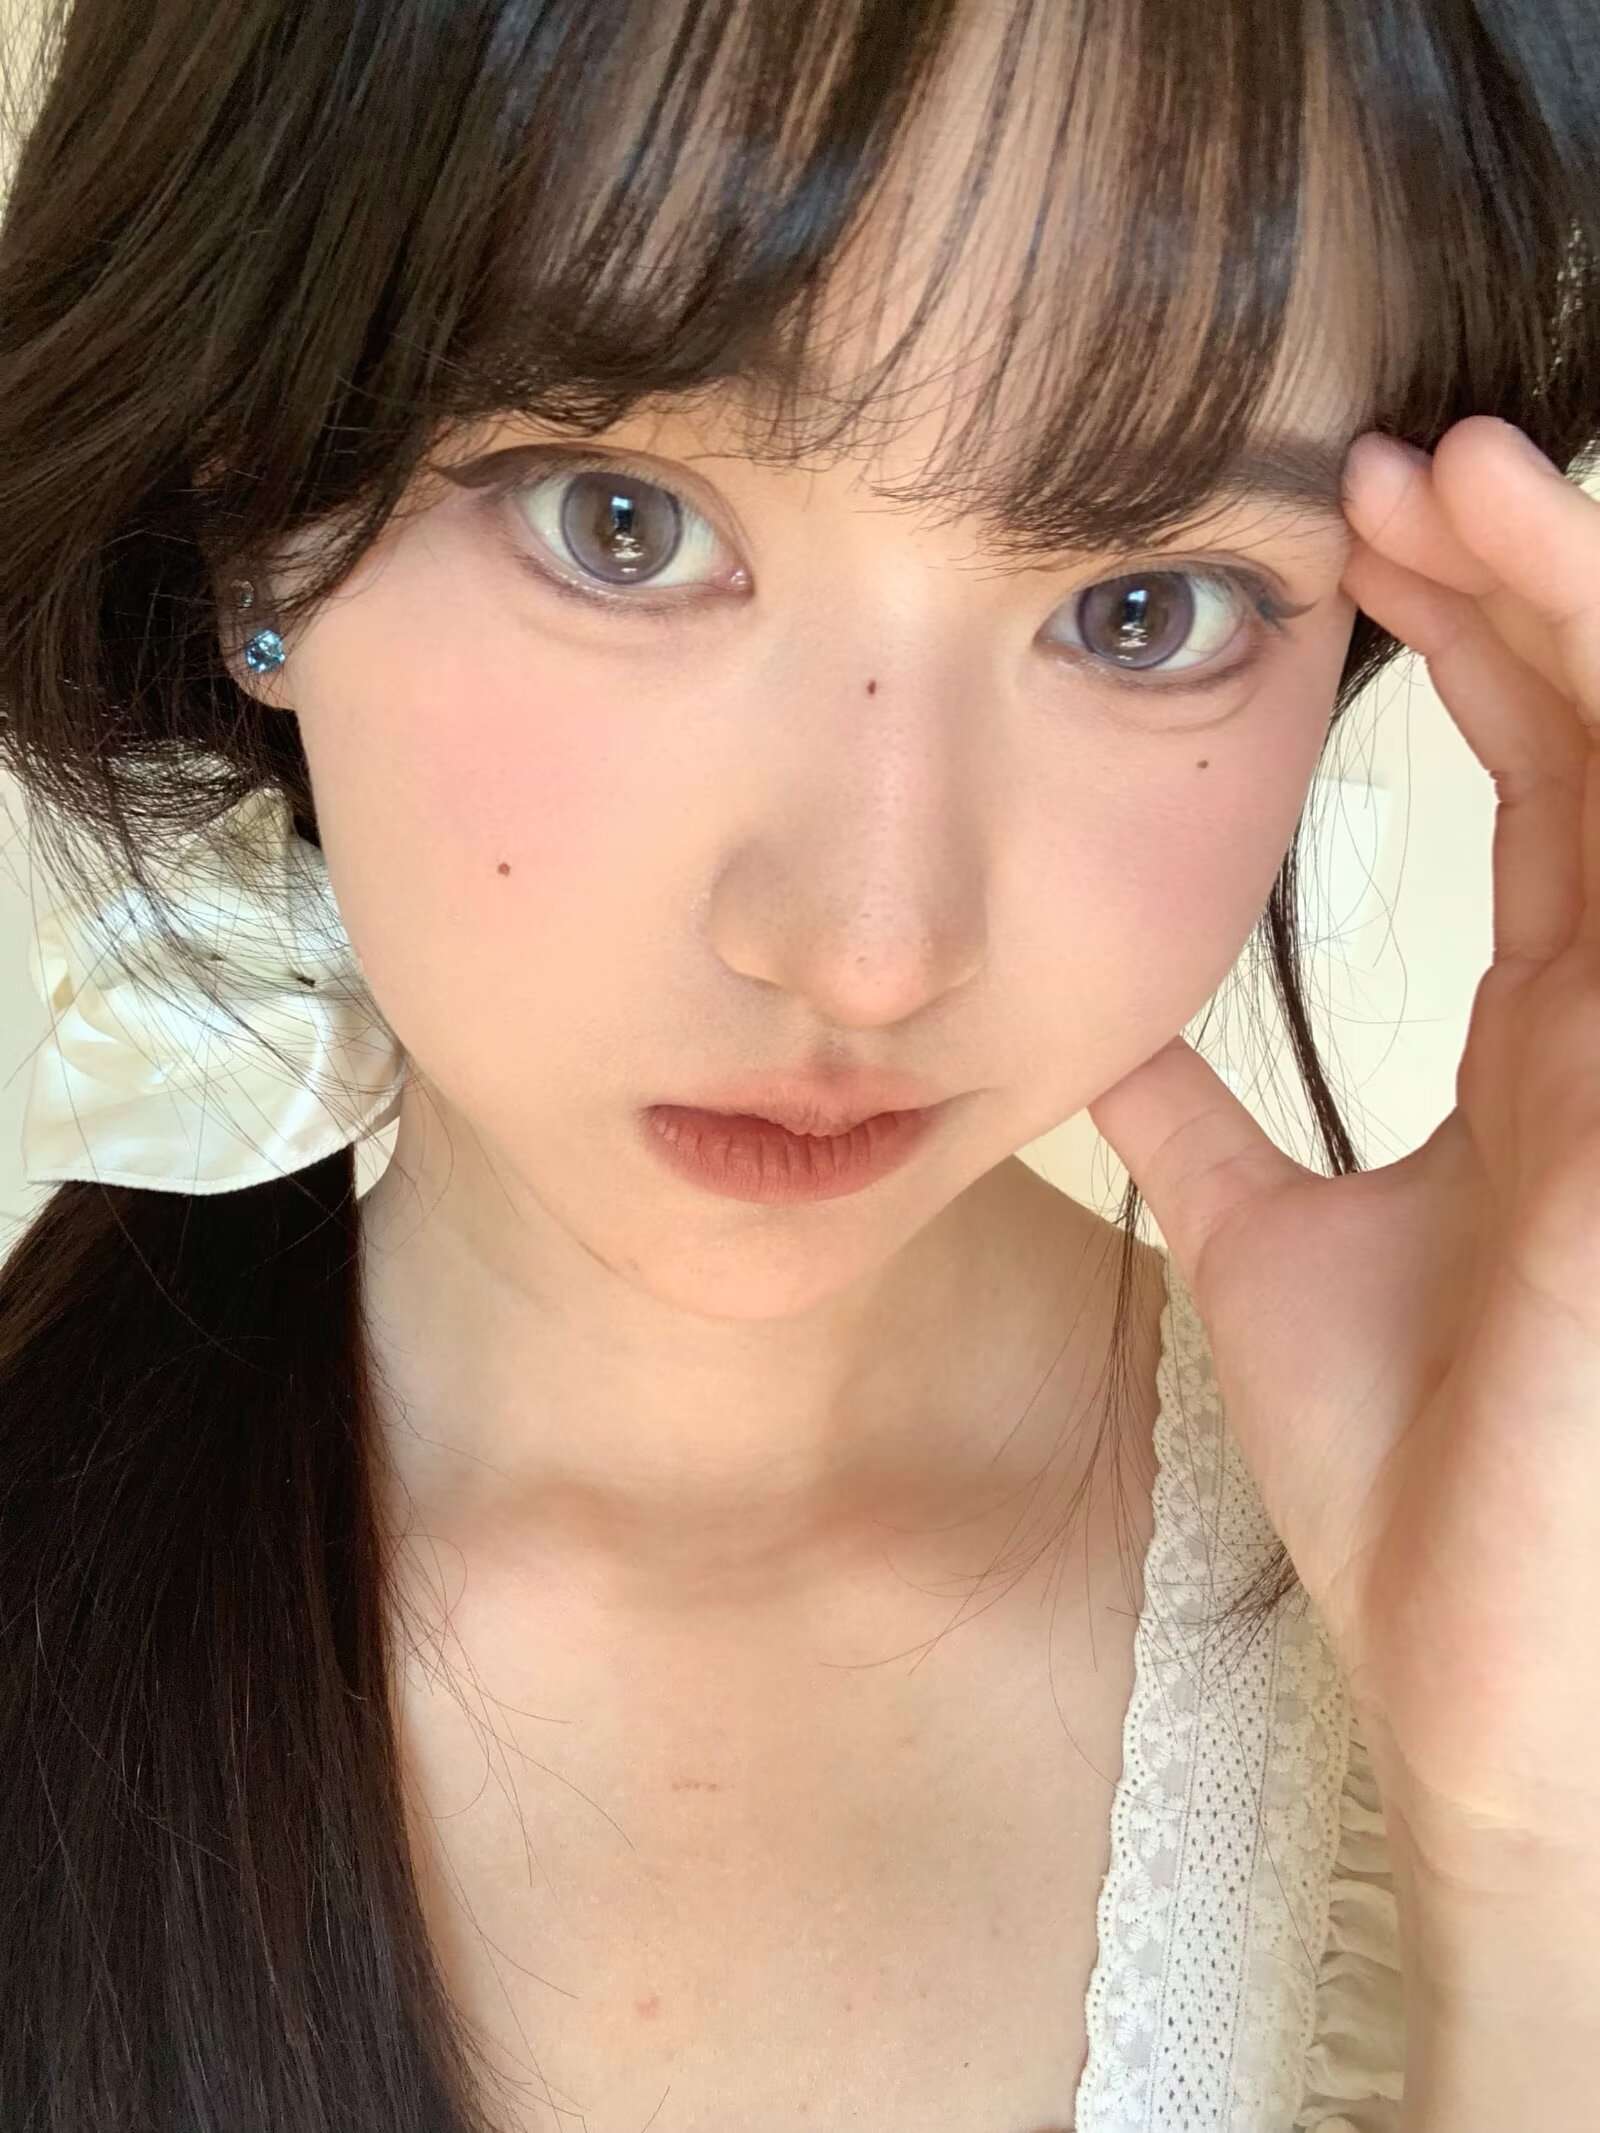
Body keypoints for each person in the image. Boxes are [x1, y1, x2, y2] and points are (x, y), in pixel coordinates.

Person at [0, 1, 1596, 2128]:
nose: (869, 943)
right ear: (253, 521)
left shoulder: (1471, 1632)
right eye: (623, 521)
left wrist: (1525, 1865)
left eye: (1144, 607)